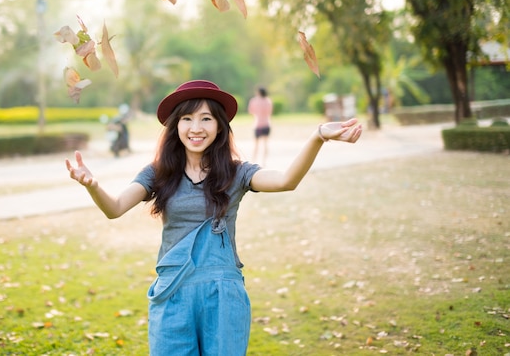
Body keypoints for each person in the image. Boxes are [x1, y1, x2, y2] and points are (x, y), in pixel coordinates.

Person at [66, 80, 362, 355]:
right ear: (175, 126)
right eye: (187, 118)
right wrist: (93, 187)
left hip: (223, 295)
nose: (196, 127)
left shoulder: (237, 173)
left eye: (206, 118)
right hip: (173, 294)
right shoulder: (158, 173)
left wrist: (318, 136)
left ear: (220, 126)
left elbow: (286, 180)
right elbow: (115, 207)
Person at [247, 85, 273, 166]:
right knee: (265, 144)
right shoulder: (268, 101)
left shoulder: (254, 101)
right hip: (267, 124)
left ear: (258, 92)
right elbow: (269, 112)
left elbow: (251, 111)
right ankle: (264, 162)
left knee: (256, 145)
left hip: (257, 125)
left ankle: (253, 161)